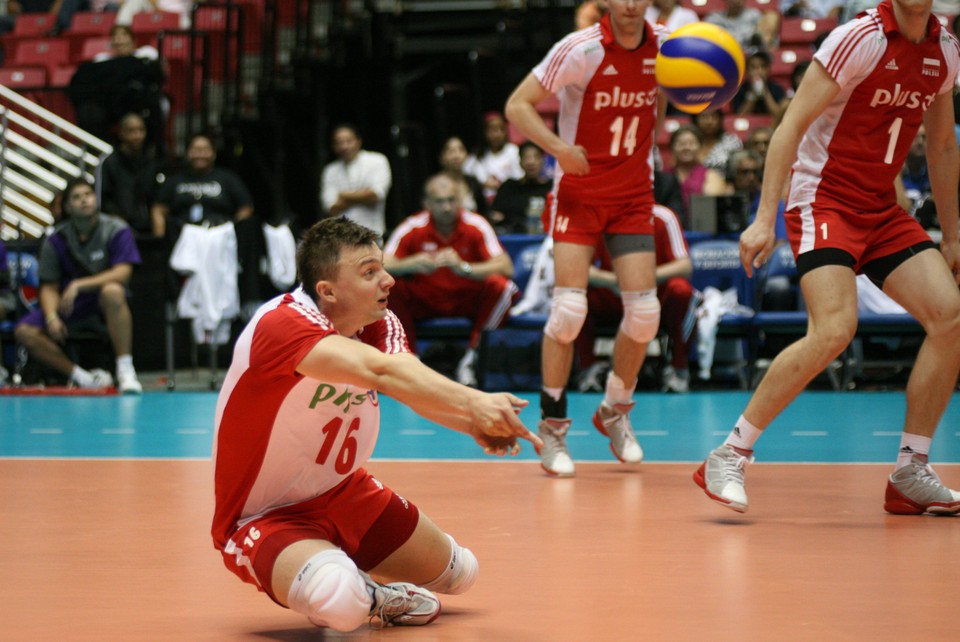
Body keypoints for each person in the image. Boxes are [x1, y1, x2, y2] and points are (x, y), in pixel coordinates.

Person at [211, 216, 540, 632]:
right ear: (327, 291)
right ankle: (370, 592)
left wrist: (468, 422)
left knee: (462, 572)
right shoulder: (282, 326)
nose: (388, 280)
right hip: (263, 516)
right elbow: (382, 373)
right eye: (369, 272)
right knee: (342, 604)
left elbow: (408, 382)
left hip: (346, 493)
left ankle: (334, 564)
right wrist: (476, 402)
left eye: (383, 267)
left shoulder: (379, 322)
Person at [694, 0, 960, 516]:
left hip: (881, 206)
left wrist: (952, 236)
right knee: (834, 329)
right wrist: (762, 217)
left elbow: (943, 145)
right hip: (823, 197)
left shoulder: (945, 48)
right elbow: (789, 128)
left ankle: (911, 469)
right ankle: (728, 454)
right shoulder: (859, 38)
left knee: (949, 317)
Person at [505, 0, 669, 477]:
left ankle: (614, 409)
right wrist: (557, 148)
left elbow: (702, 85)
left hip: (633, 195)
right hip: (578, 196)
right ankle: (553, 428)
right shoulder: (582, 49)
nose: (632, 4)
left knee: (645, 314)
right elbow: (517, 104)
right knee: (569, 311)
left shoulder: (669, 47)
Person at [383, 174, 519, 387]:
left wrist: (463, 268)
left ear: (460, 200)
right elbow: (380, 264)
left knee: (503, 288)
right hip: (425, 301)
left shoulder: (476, 224)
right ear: (427, 203)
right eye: (439, 201)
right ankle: (409, 360)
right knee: (385, 288)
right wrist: (409, 264)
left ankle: (472, 357)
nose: (446, 207)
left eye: (451, 200)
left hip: (466, 301)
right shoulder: (412, 226)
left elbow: (506, 267)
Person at [14, 179, 142, 393]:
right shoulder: (56, 239)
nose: (84, 200)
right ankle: (81, 377)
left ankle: (125, 370)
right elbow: (49, 287)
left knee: (113, 290)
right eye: (77, 197)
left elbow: (123, 273)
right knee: (24, 330)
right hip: (70, 304)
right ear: (67, 207)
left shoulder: (116, 229)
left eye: (88, 195)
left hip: (103, 301)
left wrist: (79, 284)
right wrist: (51, 317)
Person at [68, 24, 165, 151]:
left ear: (133, 40)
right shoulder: (101, 61)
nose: (119, 40)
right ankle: (101, 153)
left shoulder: (146, 55)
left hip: (138, 104)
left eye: (124, 35)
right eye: (116, 37)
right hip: (109, 105)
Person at [150, 133, 254, 243]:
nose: (200, 155)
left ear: (213, 153)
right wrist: (160, 241)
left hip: (218, 237)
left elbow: (246, 207)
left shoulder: (228, 178)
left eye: (205, 150)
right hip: (182, 239)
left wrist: (233, 232)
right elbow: (158, 209)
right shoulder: (175, 180)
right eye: (195, 150)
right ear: (188, 153)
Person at [320, 123, 392, 237]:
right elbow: (331, 209)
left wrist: (343, 196)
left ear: (359, 141)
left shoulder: (377, 161)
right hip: (341, 237)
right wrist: (362, 195)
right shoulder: (330, 171)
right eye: (339, 142)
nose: (344, 146)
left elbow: (375, 195)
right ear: (333, 146)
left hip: (372, 234)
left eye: (349, 141)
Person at [99, 112, 161, 236]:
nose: (137, 136)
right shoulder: (109, 163)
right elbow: (105, 201)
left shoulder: (150, 163)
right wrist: (123, 227)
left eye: (141, 130)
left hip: (148, 229)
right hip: (118, 230)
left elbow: (154, 199)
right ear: (121, 133)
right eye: (131, 131)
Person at [489, 141, 554, 234]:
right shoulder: (509, 187)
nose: (531, 162)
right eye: (526, 157)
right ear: (520, 162)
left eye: (536, 157)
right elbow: (495, 215)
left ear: (543, 160)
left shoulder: (552, 187)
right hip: (513, 238)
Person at [666, 124, 728, 218]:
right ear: (672, 147)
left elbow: (710, 211)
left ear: (701, 147)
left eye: (691, 143)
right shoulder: (663, 176)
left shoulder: (711, 176)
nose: (686, 148)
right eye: (681, 144)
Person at [463, 112, 523, 204]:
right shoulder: (478, 155)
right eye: (493, 130)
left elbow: (519, 178)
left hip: (508, 200)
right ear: (485, 132)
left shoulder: (513, 151)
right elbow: (465, 172)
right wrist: (482, 184)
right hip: (482, 203)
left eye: (502, 129)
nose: (498, 134)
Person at [437, 136, 487, 218]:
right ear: (442, 156)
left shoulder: (473, 182)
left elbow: (483, 213)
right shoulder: (435, 185)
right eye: (451, 151)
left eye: (461, 150)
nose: (456, 156)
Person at [731, 50, 787, 117]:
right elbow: (739, 118)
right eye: (754, 67)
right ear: (747, 71)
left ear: (768, 70)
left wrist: (765, 92)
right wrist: (752, 95)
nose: (759, 71)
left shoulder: (777, 89)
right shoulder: (739, 90)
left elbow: (779, 116)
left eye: (763, 67)